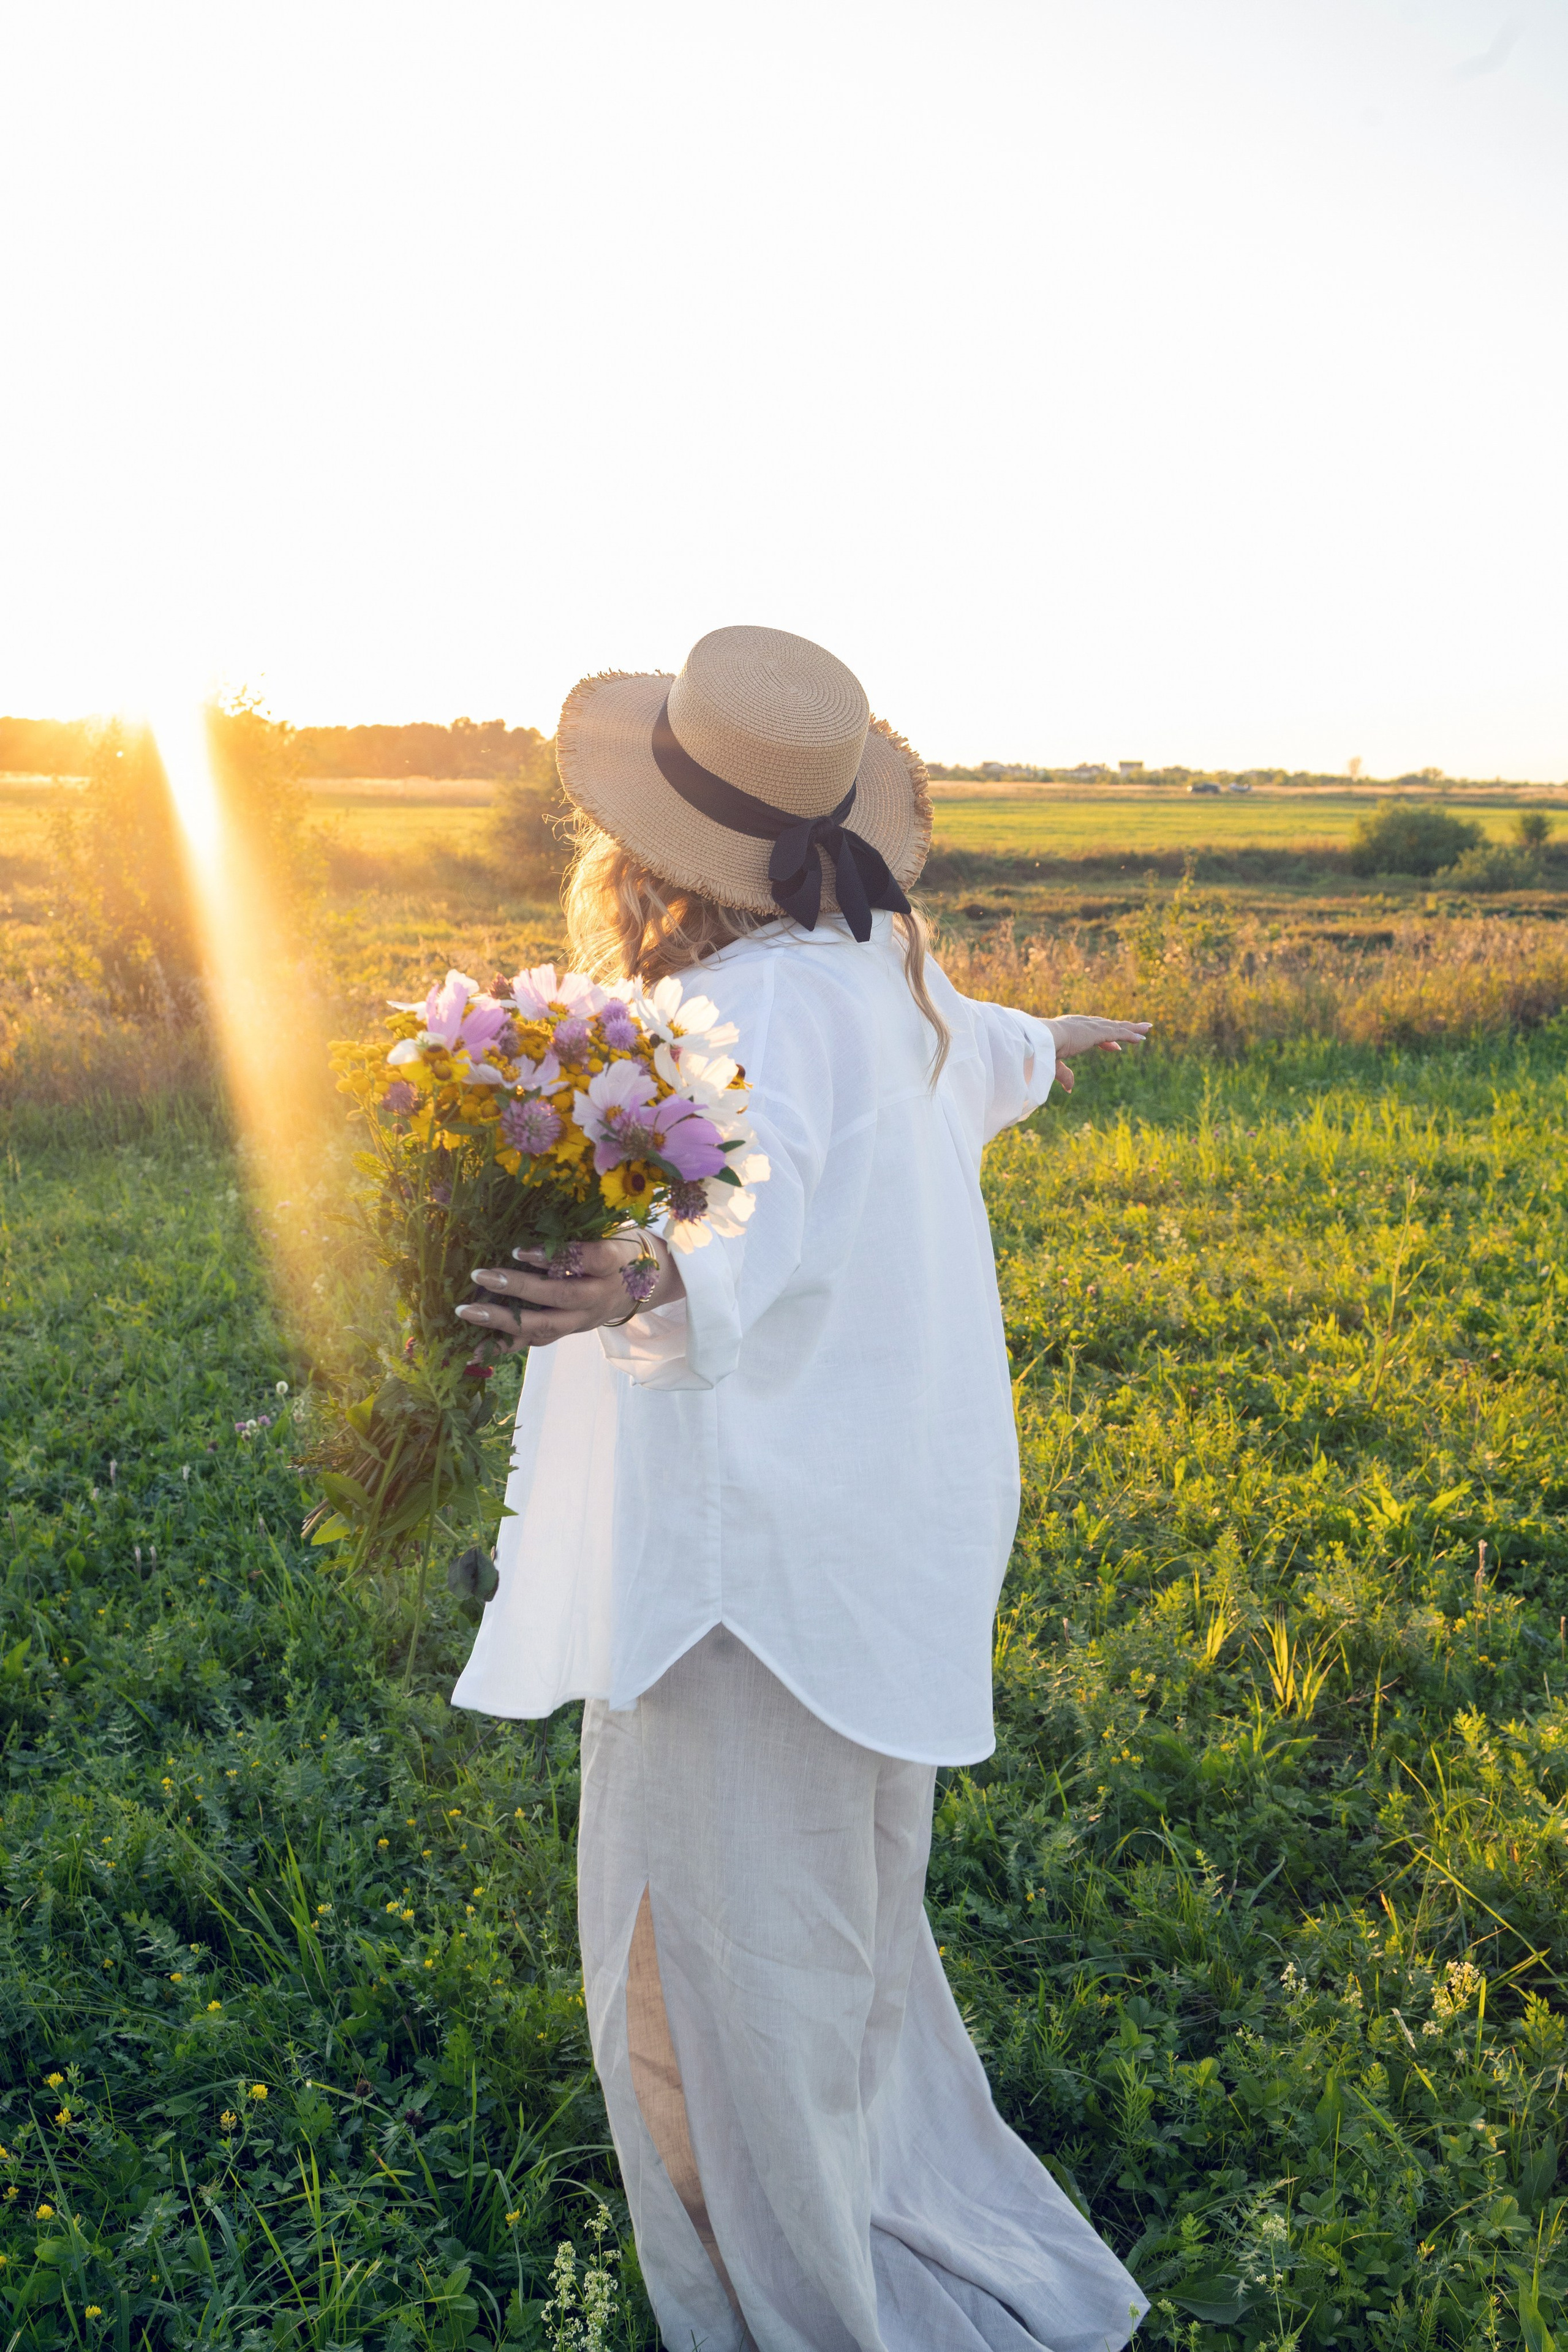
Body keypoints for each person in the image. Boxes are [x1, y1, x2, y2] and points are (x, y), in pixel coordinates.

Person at [453, 625, 1150, 2352]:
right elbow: (960, 1065)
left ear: (648, 852)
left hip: (743, 1583)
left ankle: (810, 2310)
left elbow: (752, 1205)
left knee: (706, 1985)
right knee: (833, 1945)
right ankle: (888, 2212)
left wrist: (640, 1286)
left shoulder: (752, 1008)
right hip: (880, 1558)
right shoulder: (884, 983)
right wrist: (1056, 1035)